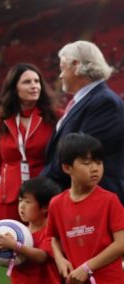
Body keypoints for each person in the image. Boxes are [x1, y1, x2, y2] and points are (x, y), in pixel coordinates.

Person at [47, 133, 124, 284]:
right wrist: (61, 260)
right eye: (86, 162)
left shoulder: (109, 200)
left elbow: (121, 243)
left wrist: (87, 267)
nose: (95, 169)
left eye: (99, 162)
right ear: (66, 167)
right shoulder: (56, 204)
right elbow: (53, 238)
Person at [42, 41, 124, 202]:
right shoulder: (87, 101)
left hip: (97, 201)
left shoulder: (104, 102)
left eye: (62, 68)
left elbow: (78, 155)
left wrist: (40, 184)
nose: (60, 75)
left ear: (76, 65)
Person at [0, 64, 59, 222]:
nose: (34, 86)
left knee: (44, 243)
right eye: (27, 82)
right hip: (10, 197)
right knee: (11, 242)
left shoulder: (55, 116)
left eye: (37, 81)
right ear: (14, 88)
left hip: (44, 194)